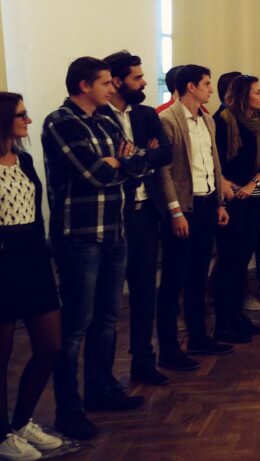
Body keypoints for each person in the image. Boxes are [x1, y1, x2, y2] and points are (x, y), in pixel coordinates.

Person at [43, 57, 147, 440]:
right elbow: (94, 174)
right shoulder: (60, 122)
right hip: (79, 236)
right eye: (105, 82)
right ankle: (69, 410)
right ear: (85, 85)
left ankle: (101, 390)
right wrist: (120, 162)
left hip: (114, 232)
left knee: (107, 318)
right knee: (75, 325)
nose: (112, 87)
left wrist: (118, 161)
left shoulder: (106, 120)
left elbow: (140, 165)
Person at [98, 51, 176, 386]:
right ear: (117, 82)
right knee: (109, 300)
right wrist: (144, 156)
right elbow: (105, 164)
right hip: (118, 215)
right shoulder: (98, 116)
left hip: (147, 214)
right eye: (137, 77)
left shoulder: (145, 114)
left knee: (145, 293)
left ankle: (143, 362)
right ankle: (104, 378)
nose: (144, 82)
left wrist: (132, 157)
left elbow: (165, 154)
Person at [0, 92, 65, 459]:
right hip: (3, 261)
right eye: (20, 115)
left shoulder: (23, 159)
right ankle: (1, 435)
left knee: (50, 346)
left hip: (34, 258)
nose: (28, 120)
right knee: (2, 356)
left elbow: (36, 211)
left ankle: (22, 421)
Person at [156, 65, 236, 353]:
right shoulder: (168, 119)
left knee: (199, 274)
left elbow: (214, 164)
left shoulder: (206, 119)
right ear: (191, 87)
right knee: (174, 278)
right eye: (206, 84)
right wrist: (175, 211)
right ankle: (169, 348)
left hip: (207, 203)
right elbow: (164, 171)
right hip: (184, 208)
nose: (211, 89)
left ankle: (198, 337)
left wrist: (220, 203)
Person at [211, 74, 260, 345]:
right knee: (229, 261)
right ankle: (223, 322)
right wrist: (229, 187)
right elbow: (216, 162)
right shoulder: (223, 121)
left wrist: (253, 183)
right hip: (230, 199)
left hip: (253, 195)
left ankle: (236, 315)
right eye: (257, 92)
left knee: (244, 258)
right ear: (244, 95)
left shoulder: (259, 122)